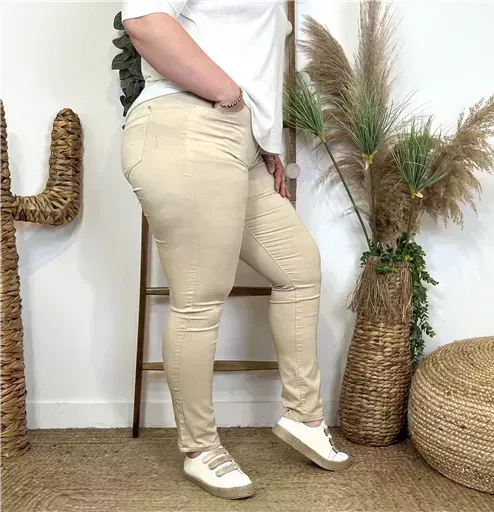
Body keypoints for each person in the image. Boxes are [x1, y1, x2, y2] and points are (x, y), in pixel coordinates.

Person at [120, 0, 349, 500]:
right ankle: (200, 448)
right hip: (188, 125)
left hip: (238, 142)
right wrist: (227, 92)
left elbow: (248, 52)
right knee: (200, 298)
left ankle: (304, 417)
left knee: (298, 268)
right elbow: (144, 20)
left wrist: (264, 139)